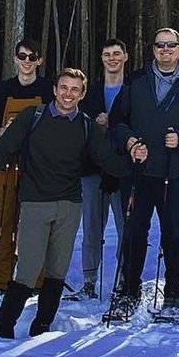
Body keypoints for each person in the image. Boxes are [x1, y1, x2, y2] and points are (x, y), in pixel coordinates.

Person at [0, 68, 130, 339]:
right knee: (28, 270)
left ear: (82, 94)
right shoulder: (32, 117)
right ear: (54, 90)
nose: (68, 94)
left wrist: (135, 161)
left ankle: (42, 326)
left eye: (75, 89)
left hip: (69, 206)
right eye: (63, 87)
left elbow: (108, 160)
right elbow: (5, 149)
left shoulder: (87, 126)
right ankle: (3, 327)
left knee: (57, 271)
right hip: (35, 204)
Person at [104, 28, 179, 320]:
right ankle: (129, 289)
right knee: (134, 232)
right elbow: (117, 119)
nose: (165, 49)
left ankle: (173, 290)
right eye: (160, 45)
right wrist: (129, 142)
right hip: (138, 170)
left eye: (171, 45)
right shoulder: (136, 79)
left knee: (173, 231)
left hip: (175, 172)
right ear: (153, 49)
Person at [0, 38, 54, 303]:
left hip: (37, 165)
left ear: (39, 60)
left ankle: (37, 280)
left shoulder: (47, 89)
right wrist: (7, 132)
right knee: (4, 223)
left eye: (32, 57)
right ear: (15, 58)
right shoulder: (2, 89)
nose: (27, 61)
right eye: (22, 56)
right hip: (6, 164)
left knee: (36, 224)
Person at [73, 38, 128, 300]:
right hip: (92, 169)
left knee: (126, 227)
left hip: (124, 168)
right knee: (91, 228)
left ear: (125, 57)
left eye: (116, 54)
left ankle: (124, 278)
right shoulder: (91, 93)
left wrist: (113, 121)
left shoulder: (133, 90)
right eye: (107, 54)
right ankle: (89, 281)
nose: (112, 58)